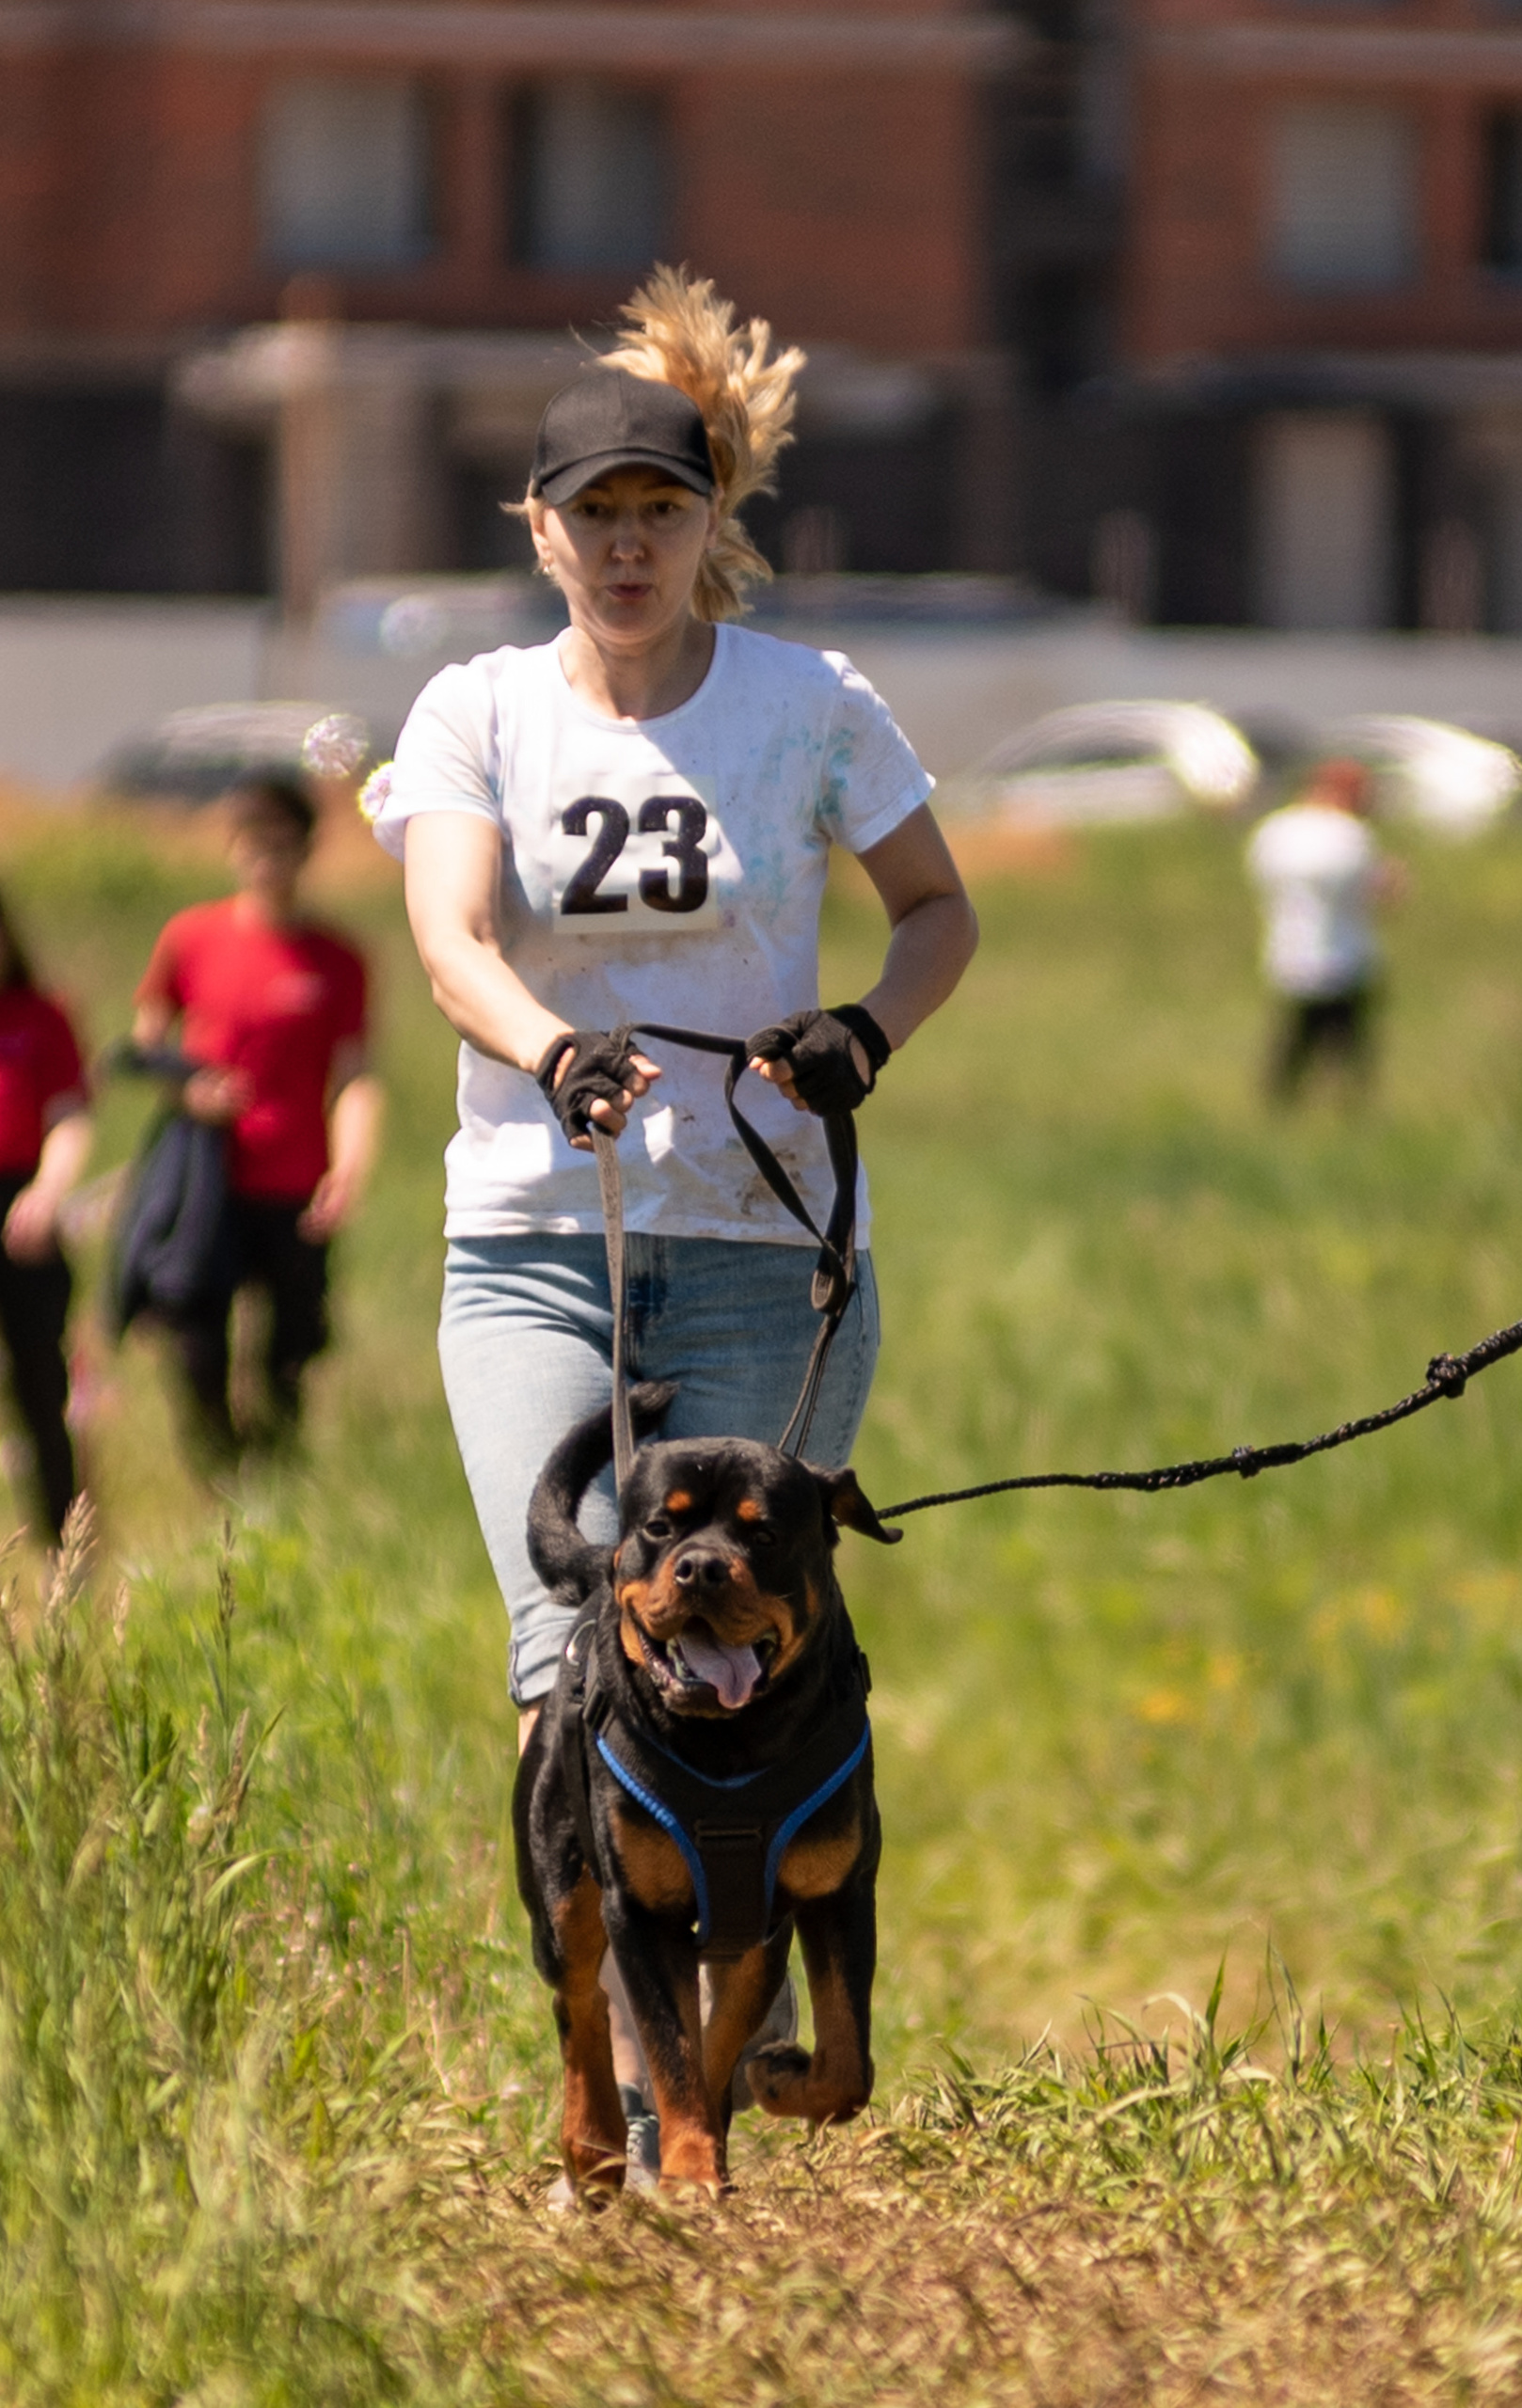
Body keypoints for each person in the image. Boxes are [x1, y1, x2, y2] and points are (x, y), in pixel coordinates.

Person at [373, 269, 976, 2178]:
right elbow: (451, 937)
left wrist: (861, 1026)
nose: (624, 549)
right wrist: (553, 1052)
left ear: (710, 523)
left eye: (658, 514)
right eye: (591, 518)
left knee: (759, 1637)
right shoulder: (474, 708)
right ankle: (632, 2084)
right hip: (539, 1231)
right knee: (574, 1636)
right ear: (534, 529)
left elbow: (938, 910)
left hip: (763, 1240)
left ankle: (714, 2041)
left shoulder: (813, 707)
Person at [131, 776, 381, 1465]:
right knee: (194, 1336)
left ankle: (277, 1471)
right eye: (253, 842)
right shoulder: (190, 937)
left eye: (281, 843)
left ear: (305, 850)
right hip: (208, 1175)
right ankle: (221, 1467)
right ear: (234, 848)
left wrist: (350, 1166)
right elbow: (147, 1046)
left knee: (291, 1346)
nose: (266, 858)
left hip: (295, 1175)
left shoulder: (338, 958)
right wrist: (189, 1091)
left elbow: (356, 1075)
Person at [0, 895, 91, 1541]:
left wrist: (47, 1190)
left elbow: (69, 1114)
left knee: (38, 1380)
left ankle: (65, 1543)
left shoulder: (43, 1014)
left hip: (23, 1207)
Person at [1244, 756, 1400, 1102]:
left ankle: (1280, 1105)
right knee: (1349, 1047)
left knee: (1295, 1038)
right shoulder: (1350, 836)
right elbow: (1375, 893)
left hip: (1287, 952)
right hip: (1346, 956)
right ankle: (1351, 1109)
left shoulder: (1274, 833)